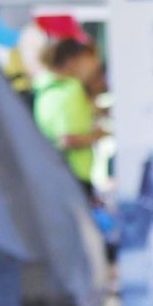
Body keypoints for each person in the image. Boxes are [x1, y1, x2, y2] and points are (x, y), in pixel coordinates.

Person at [34, 38, 107, 197]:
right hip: (76, 178)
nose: (96, 64)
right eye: (91, 57)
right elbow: (68, 140)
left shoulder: (44, 91)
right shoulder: (72, 89)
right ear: (73, 61)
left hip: (54, 177)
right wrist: (99, 135)